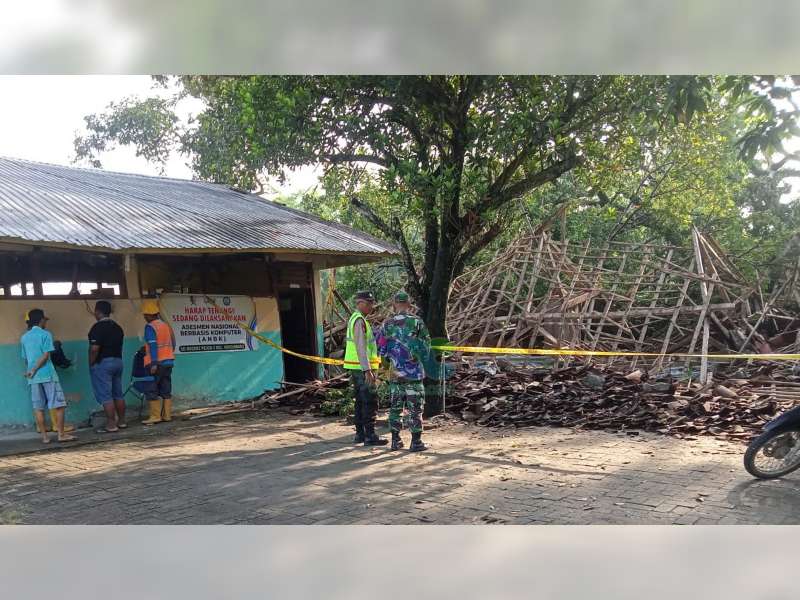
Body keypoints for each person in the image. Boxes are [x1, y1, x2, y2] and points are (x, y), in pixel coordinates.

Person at [375, 291, 433, 452]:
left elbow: (381, 348)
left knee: (395, 408)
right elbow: (426, 347)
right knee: (415, 409)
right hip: (414, 374)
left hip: (395, 375)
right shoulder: (417, 322)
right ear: (408, 304)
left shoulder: (386, 324)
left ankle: (395, 441)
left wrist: (391, 362)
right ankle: (416, 442)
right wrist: (418, 358)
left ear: (394, 304)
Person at [20, 309, 77, 444]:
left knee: (38, 408)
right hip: (48, 375)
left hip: (33, 378)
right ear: (41, 320)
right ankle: (61, 434)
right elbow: (46, 356)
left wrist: (31, 371)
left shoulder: (24, 338)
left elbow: (26, 359)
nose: (45, 322)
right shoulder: (45, 334)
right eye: (44, 320)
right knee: (59, 405)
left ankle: (45, 438)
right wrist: (35, 369)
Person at [343, 290, 387, 446]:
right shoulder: (359, 320)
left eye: (372, 303)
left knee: (361, 401)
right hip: (362, 369)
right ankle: (370, 435)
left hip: (358, 368)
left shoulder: (357, 319)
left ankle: (360, 434)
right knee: (369, 400)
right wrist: (367, 370)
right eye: (368, 303)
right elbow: (361, 346)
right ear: (359, 303)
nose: (371, 306)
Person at [88, 300, 126, 432]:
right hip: (118, 362)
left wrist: (91, 362)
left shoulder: (97, 328)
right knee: (118, 394)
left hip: (103, 363)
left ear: (98, 312)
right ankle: (122, 421)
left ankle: (111, 424)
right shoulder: (117, 327)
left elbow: (94, 349)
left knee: (106, 396)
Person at [140, 299, 176, 425]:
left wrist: (154, 363)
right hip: (168, 362)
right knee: (166, 388)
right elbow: (173, 343)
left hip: (156, 364)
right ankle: (167, 416)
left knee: (151, 388)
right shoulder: (166, 325)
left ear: (150, 315)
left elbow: (153, 345)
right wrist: (168, 355)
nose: (144, 317)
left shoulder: (150, 327)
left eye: (145, 315)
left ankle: (155, 416)